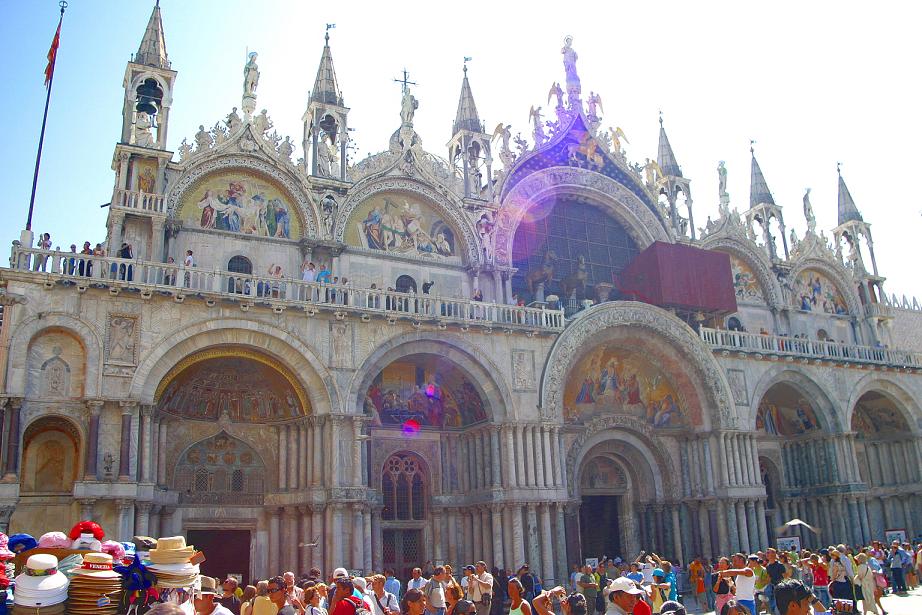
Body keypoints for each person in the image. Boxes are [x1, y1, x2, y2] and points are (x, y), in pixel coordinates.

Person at [765, 548, 787, 615]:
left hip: (780, 588)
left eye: (768, 553)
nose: (766, 554)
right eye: (767, 553)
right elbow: (769, 578)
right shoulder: (768, 566)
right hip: (772, 589)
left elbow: (785, 577)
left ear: (773, 554)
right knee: (772, 607)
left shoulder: (780, 565)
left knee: (778, 607)